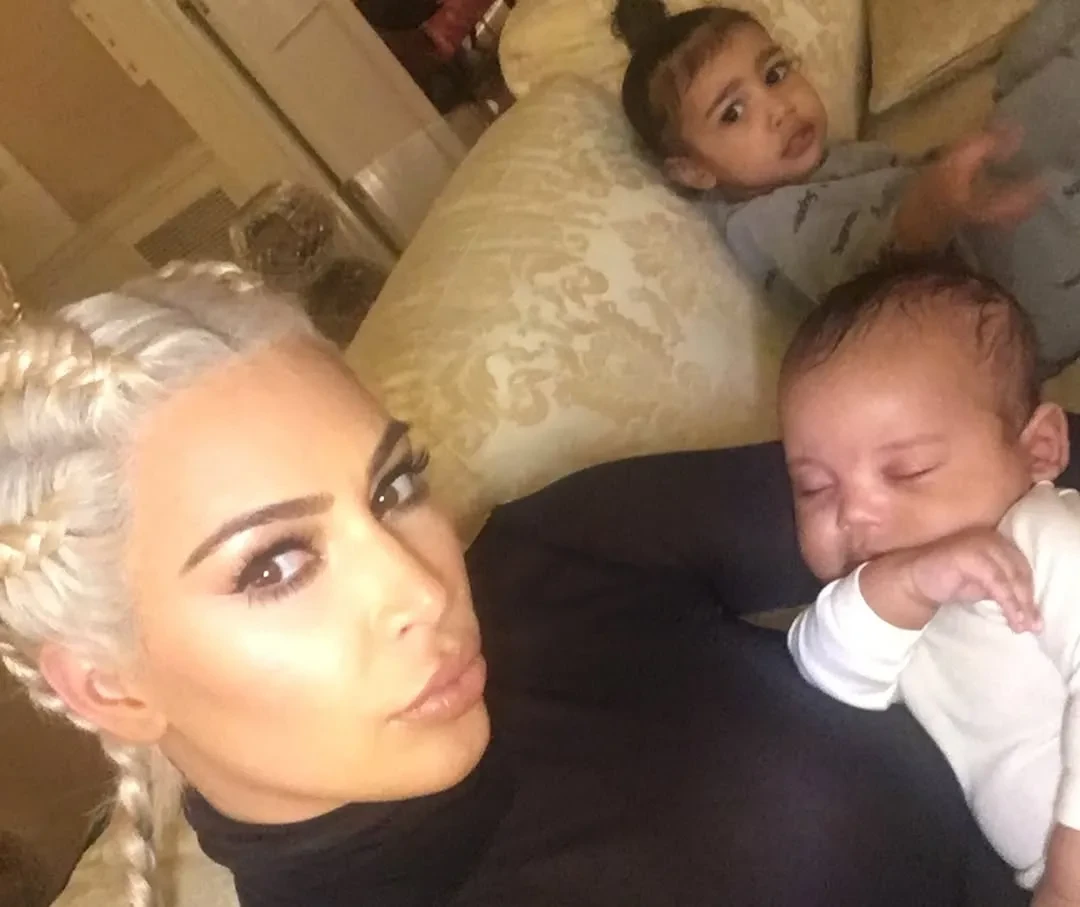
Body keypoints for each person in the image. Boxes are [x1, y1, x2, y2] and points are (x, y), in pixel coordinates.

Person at [0, 261, 1034, 907]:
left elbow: (996, 473)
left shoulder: (559, 556)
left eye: (393, 487)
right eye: (275, 564)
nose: (422, 588)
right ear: (110, 686)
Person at [781, 256, 1080, 904]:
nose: (853, 514)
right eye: (814, 487)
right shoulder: (896, 604)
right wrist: (906, 586)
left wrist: (1068, 872)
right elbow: (824, 671)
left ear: (1038, 450)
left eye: (908, 471)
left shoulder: (1041, 538)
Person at [611, 0, 1080, 374]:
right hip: (998, 297)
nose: (779, 108)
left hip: (976, 204)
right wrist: (935, 199)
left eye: (775, 74)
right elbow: (877, 259)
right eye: (733, 113)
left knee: (1041, 82)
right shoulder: (763, 225)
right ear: (693, 172)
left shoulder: (813, 165)